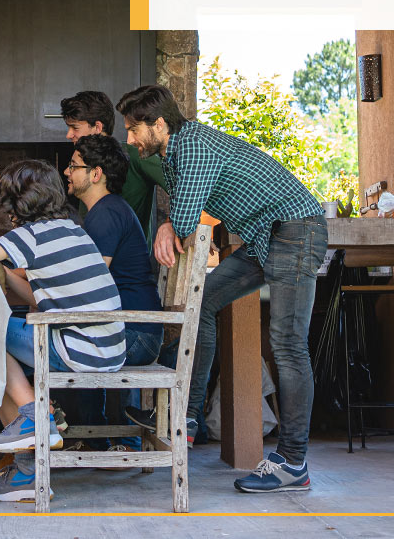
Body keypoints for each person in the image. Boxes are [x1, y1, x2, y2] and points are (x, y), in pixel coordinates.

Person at [115, 85, 326, 494]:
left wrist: (167, 223)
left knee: (288, 344)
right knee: (205, 303)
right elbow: (185, 215)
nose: (129, 138)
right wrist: (172, 221)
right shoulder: (174, 154)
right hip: (266, 238)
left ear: (159, 124)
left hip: (296, 232)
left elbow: (183, 217)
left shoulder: (192, 146)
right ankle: (188, 417)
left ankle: (292, 462)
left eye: (133, 128)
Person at [0, 160, 126, 503]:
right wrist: (4, 270)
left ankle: (36, 417)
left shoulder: (32, 234)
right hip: (105, 347)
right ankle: (26, 471)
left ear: (19, 202)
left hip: (79, 347)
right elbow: (44, 299)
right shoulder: (71, 229)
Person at [63, 134, 163, 460]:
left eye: (73, 166)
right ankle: (95, 438)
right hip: (134, 328)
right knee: (74, 334)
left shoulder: (105, 214)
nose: (66, 171)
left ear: (96, 173)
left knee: (61, 339)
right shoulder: (105, 211)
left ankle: (113, 440)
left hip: (135, 333)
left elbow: (89, 284)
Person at [60, 90, 166, 246]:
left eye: (75, 128)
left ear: (97, 127)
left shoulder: (136, 155)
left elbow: (182, 184)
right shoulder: (83, 160)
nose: (69, 135)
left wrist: (172, 224)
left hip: (125, 262)